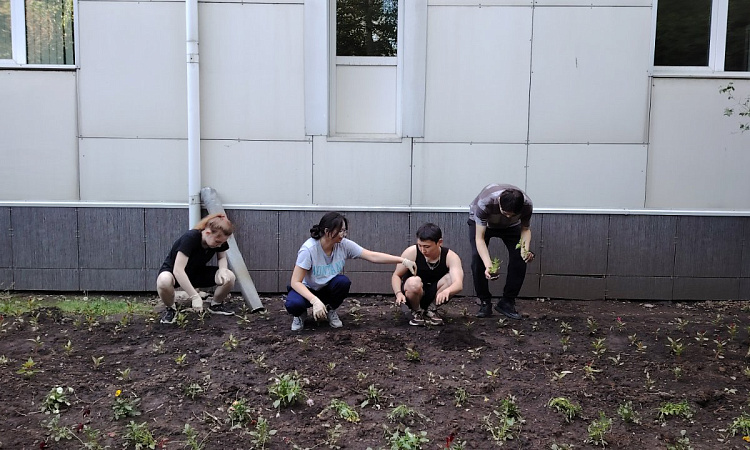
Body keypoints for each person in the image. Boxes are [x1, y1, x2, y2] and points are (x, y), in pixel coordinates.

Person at [286, 212, 417, 331]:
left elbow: (372, 256)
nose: (344, 234)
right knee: (293, 304)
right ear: (327, 231)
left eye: (344, 230)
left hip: (326, 289)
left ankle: (330, 310)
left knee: (343, 282)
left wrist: (403, 260)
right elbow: (295, 282)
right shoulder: (309, 249)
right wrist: (314, 300)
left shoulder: (343, 245)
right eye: (340, 231)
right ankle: (300, 315)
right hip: (307, 290)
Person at [468, 183, 535, 320]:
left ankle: (507, 302)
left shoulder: (527, 205)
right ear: (499, 201)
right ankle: (484, 301)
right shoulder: (484, 203)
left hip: (511, 227)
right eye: (505, 213)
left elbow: (525, 229)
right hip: (483, 224)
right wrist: (489, 266)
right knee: (477, 258)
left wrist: (525, 250)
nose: (508, 216)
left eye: (512, 215)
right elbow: (479, 239)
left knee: (519, 258)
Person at [156, 213, 236, 324]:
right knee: (164, 280)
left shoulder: (219, 239)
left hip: (197, 273)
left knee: (229, 276)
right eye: (217, 242)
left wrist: (223, 270)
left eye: (222, 243)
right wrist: (194, 297)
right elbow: (178, 270)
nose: (219, 245)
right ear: (207, 233)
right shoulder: (190, 238)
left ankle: (216, 305)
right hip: (175, 274)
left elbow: (222, 257)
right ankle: (171, 309)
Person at [391, 223, 464, 326]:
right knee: (414, 281)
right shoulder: (412, 252)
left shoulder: (450, 256)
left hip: (434, 293)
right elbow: (396, 275)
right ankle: (417, 311)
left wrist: (447, 291)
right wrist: (398, 293)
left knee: (451, 279)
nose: (423, 250)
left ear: (439, 242)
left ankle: (431, 310)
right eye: (420, 245)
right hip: (413, 293)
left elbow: (458, 284)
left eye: (427, 246)